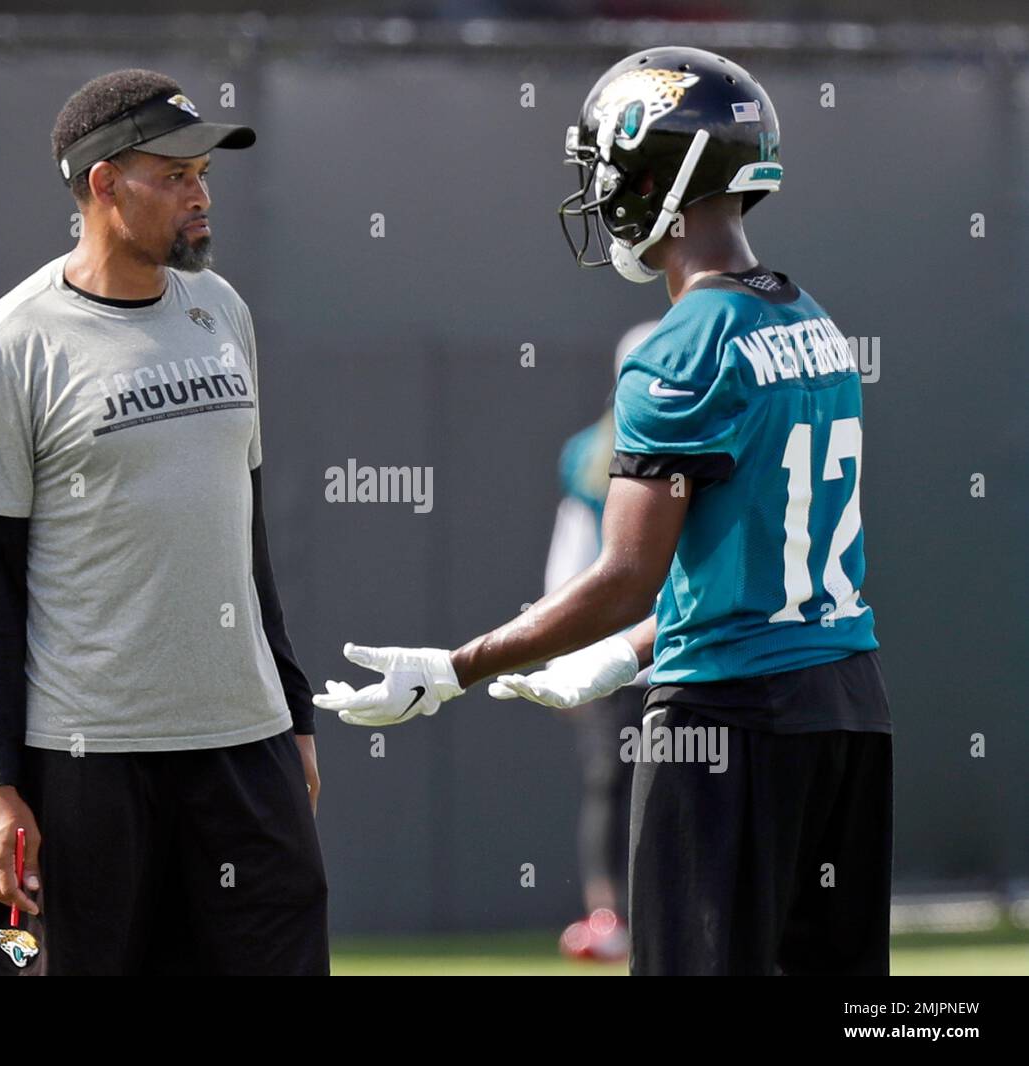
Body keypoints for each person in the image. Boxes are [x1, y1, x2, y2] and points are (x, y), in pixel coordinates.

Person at [315, 47, 892, 976]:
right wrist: (621, 658)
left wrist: (453, 669)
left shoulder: (681, 346)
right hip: (848, 710)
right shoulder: (812, 322)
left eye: (608, 168)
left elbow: (629, 575)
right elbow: (758, 567)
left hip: (728, 721)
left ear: (656, 176)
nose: (599, 192)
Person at [0, 69, 328, 975]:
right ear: (104, 184)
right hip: (83, 765)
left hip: (243, 751)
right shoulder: (10, 346)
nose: (201, 196)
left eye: (205, 176)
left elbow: (247, 532)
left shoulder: (222, 311)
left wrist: (291, 711)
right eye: (177, 175)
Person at [542, 320, 657, 962]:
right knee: (608, 779)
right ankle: (608, 917)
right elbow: (575, 560)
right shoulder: (591, 454)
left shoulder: (709, 432)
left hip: (688, 652)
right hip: (620, 661)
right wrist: (567, 659)